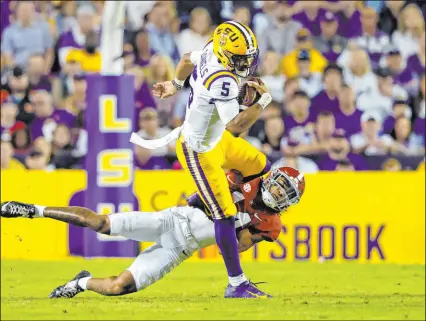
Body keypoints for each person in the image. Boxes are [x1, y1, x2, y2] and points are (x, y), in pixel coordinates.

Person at [0, 167, 306, 299]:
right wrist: (215, 196)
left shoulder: (270, 223)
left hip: (179, 249)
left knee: (119, 287)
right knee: (101, 224)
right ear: (272, 177)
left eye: (285, 191)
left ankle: (79, 282)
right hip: (172, 220)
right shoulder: (243, 178)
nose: (278, 191)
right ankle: (34, 210)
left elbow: (235, 248)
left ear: (289, 201)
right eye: (279, 183)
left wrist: (241, 217)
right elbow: (200, 193)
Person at [130, 21, 274, 299]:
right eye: (240, 58)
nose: (245, 63)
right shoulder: (223, 79)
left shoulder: (211, 51)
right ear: (226, 54)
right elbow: (236, 125)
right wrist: (263, 101)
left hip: (217, 139)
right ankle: (236, 283)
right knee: (225, 215)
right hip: (199, 150)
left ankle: (204, 198)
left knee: (261, 167)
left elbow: (186, 60)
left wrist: (175, 84)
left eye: (247, 56)